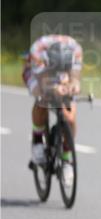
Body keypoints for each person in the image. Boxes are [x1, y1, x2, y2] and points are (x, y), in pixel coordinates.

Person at [23, 35, 83, 188]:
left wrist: (71, 87)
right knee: (41, 97)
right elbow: (42, 81)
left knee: (70, 117)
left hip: (61, 70)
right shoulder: (38, 52)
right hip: (37, 71)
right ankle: (37, 140)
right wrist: (50, 88)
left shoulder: (76, 51)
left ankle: (67, 158)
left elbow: (75, 80)